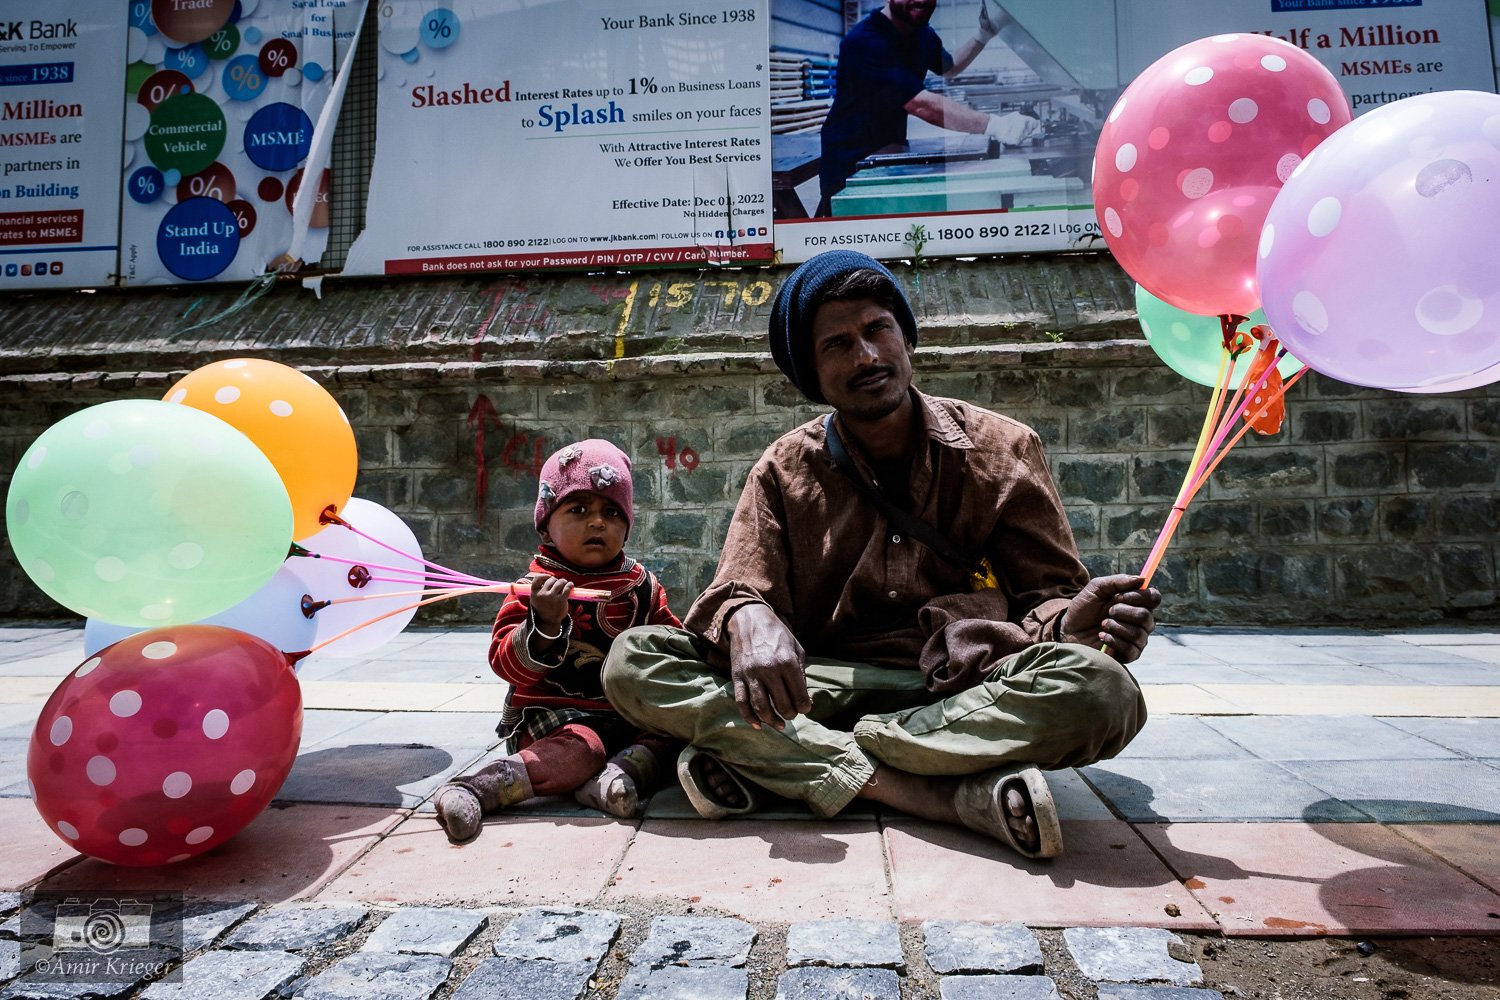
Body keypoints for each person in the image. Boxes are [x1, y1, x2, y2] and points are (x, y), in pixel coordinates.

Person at [601, 250, 1160, 860]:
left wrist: (1074, 622)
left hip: (963, 687)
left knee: (1104, 692)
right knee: (634, 661)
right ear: (812, 374)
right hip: (819, 686)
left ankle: (789, 758)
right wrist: (746, 617)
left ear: (905, 336)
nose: (866, 356)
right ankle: (934, 795)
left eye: (877, 329)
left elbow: (1047, 604)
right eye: (837, 344)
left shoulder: (1003, 451)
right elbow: (736, 592)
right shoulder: (784, 471)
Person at [433, 440, 682, 842]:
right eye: (578, 510)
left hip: (630, 715)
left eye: (612, 512)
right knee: (581, 750)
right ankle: (476, 788)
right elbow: (504, 662)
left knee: (676, 735)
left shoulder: (643, 587)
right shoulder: (533, 588)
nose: (597, 522)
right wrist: (545, 624)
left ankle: (615, 778)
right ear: (546, 523)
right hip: (558, 719)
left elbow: (672, 640)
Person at [816, 0, 1041, 216]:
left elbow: (949, 67)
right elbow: (920, 104)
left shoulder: (922, 33)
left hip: (891, 152)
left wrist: (983, 35)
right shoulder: (865, 41)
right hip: (850, 161)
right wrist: (996, 125)